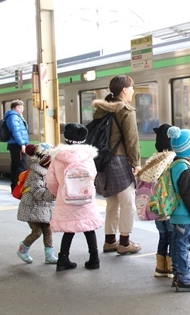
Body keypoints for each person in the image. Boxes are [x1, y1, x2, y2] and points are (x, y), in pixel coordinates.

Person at [93, 75, 142, 255]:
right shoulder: (126, 110)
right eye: (131, 87)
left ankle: (110, 241)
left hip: (103, 161)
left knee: (112, 202)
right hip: (119, 159)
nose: (133, 91)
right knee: (128, 202)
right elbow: (131, 139)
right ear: (124, 90)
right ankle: (125, 242)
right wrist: (136, 163)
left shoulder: (102, 109)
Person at [47, 123, 104, 272]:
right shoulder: (88, 157)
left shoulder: (57, 157)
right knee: (88, 227)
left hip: (66, 198)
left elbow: (51, 181)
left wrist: (59, 193)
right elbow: (93, 176)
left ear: (66, 138)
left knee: (69, 228)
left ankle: (62, 259)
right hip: (86, 198)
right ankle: (94, 259)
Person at [167, 126, 190, 292]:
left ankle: (177, 273)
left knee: (176, 244)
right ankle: (184, 276)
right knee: (182, 246)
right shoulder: (186, 169)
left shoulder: (174, 164)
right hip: (185, 215)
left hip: (175, 214)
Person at [138, 122, 176, 277]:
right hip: (168, 205)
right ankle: (173, 267)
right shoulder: (171, 159)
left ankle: (160, 268)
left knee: (163, 236)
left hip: (155, 206)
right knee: (173, 236)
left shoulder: (153, 160)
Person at [15, 143, 58, 265]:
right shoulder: (35, 174)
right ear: (44, 161)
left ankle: (49, 255)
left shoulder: (48, 171)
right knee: (37, 232)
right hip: (32, 208)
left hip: (43, 207)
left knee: (48, 230)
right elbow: (39, 193)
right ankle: (22, 250)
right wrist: (55, 194)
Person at [4, 99, 29, 192]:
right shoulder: (13, 117)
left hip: (15, 144)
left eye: (22, 107)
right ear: (14, 108)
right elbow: (16, 131)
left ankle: (15, 187)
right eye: (19, 107)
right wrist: (22, 144)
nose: (21, 109)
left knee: (15, 166)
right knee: (21, 166)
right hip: (17, 145)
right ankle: (20, 188)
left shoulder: (15, 116)